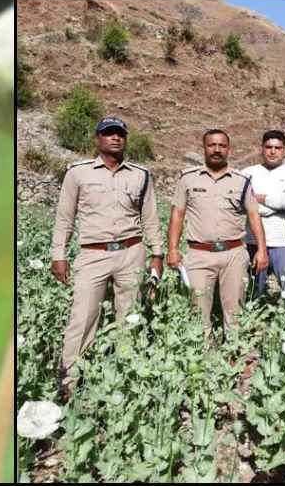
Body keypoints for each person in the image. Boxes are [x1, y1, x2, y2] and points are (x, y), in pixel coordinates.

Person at [50, 116, 164, 400]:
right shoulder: (78, 173)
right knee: (83, 318)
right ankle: (70, 384)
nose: (115, 138)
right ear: (98, 139)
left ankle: (126, 380)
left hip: (131, 252)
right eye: (109, 133)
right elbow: (64, 217)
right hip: (93, 254)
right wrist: (58, 255)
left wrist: (157, 253)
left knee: (130, 318)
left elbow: (150, 218)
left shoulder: (140, 175)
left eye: (120, 134)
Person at [167, 129, 269, 339]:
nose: (217, 150)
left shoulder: (242, 180)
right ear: (204, 148)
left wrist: (262, 250)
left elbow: (253, 215)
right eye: (212, 145)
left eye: (222, 145)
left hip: (234, 254)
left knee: (235, 309)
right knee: (198, 309)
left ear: (228, 149)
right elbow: (177, 214)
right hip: (199, 254)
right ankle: (202, 355)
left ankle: (235, 355)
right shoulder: (188, 178)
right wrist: (172, 249)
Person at [242, 130, 285, 308]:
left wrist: (259, 200)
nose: (272, 151)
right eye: (268, 147)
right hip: (254, 240)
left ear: (284, 150)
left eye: (277, 148)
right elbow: (242, 204)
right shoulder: (248, 173)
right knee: (255, 289)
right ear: (261, 149)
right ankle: (254, 326)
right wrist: (274, 204)